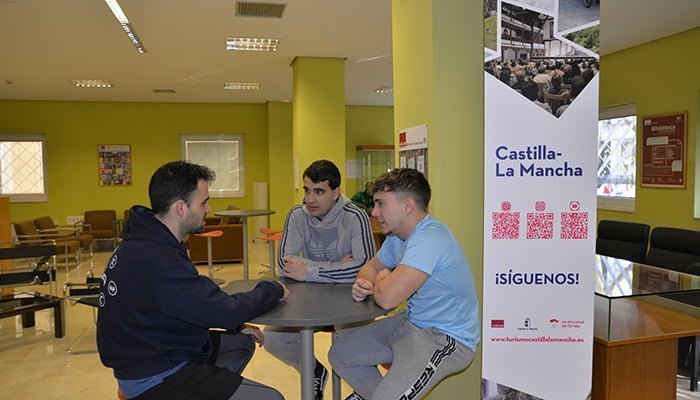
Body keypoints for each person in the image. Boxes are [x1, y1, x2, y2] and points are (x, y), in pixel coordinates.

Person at [97, 161, 288, 400]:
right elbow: (226, 311)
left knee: (241, 342)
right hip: (154, 376)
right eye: (203, 202)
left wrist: (237, 325)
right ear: (181, 208)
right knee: (272, 398)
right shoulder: (159, 258)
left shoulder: (143, 241)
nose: (209, 209)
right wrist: (274, 289)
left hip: (150, 351)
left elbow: (188, 304)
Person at [328, 168, 480, 400]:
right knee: (341, 355)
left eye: (381, 204)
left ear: (407, 205)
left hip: (445, 338)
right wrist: (365, 282)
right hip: (411, 323)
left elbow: (387, 299)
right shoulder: (397, 238)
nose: (374, 212)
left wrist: (382, 281)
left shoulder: (430, 238)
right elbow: (371, 268)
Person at [266, 159, 376, 399]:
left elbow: (366, 268)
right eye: (307, 190)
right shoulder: (297, 215)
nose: (310, 199)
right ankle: (313, 371)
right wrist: (340, 267)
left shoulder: (355, 216)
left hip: (351, 301)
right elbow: (285, 265)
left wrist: (308, 272)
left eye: (319, 191)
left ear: (336, 193)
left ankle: (363, 392)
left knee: (352, 349)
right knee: (273, 339)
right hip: (310, 299)